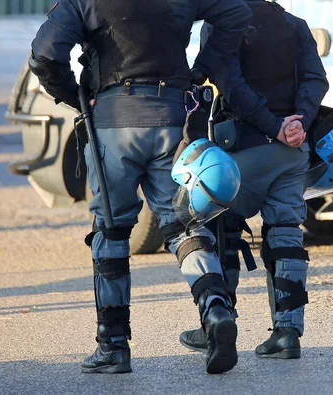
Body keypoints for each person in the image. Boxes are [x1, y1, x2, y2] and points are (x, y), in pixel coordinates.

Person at [27, 0, 257, 374]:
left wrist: (75, 96)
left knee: (112, 230)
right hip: (173, 120)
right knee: (185, 226)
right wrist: (201, 70)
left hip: (114, 122)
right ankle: (215, 309)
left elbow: (44, 54)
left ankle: (113, 345)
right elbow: (237, 13)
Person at [179, 0, 330, 359]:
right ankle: (288, 333)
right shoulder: (295, 24)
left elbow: (231, 86)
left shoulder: (221, 24)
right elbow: (316, 80)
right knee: (286, 233)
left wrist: (272, 126)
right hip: (292, 152)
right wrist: (297, 124)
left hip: (242, 150)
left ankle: (219, 322)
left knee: (220, 226)